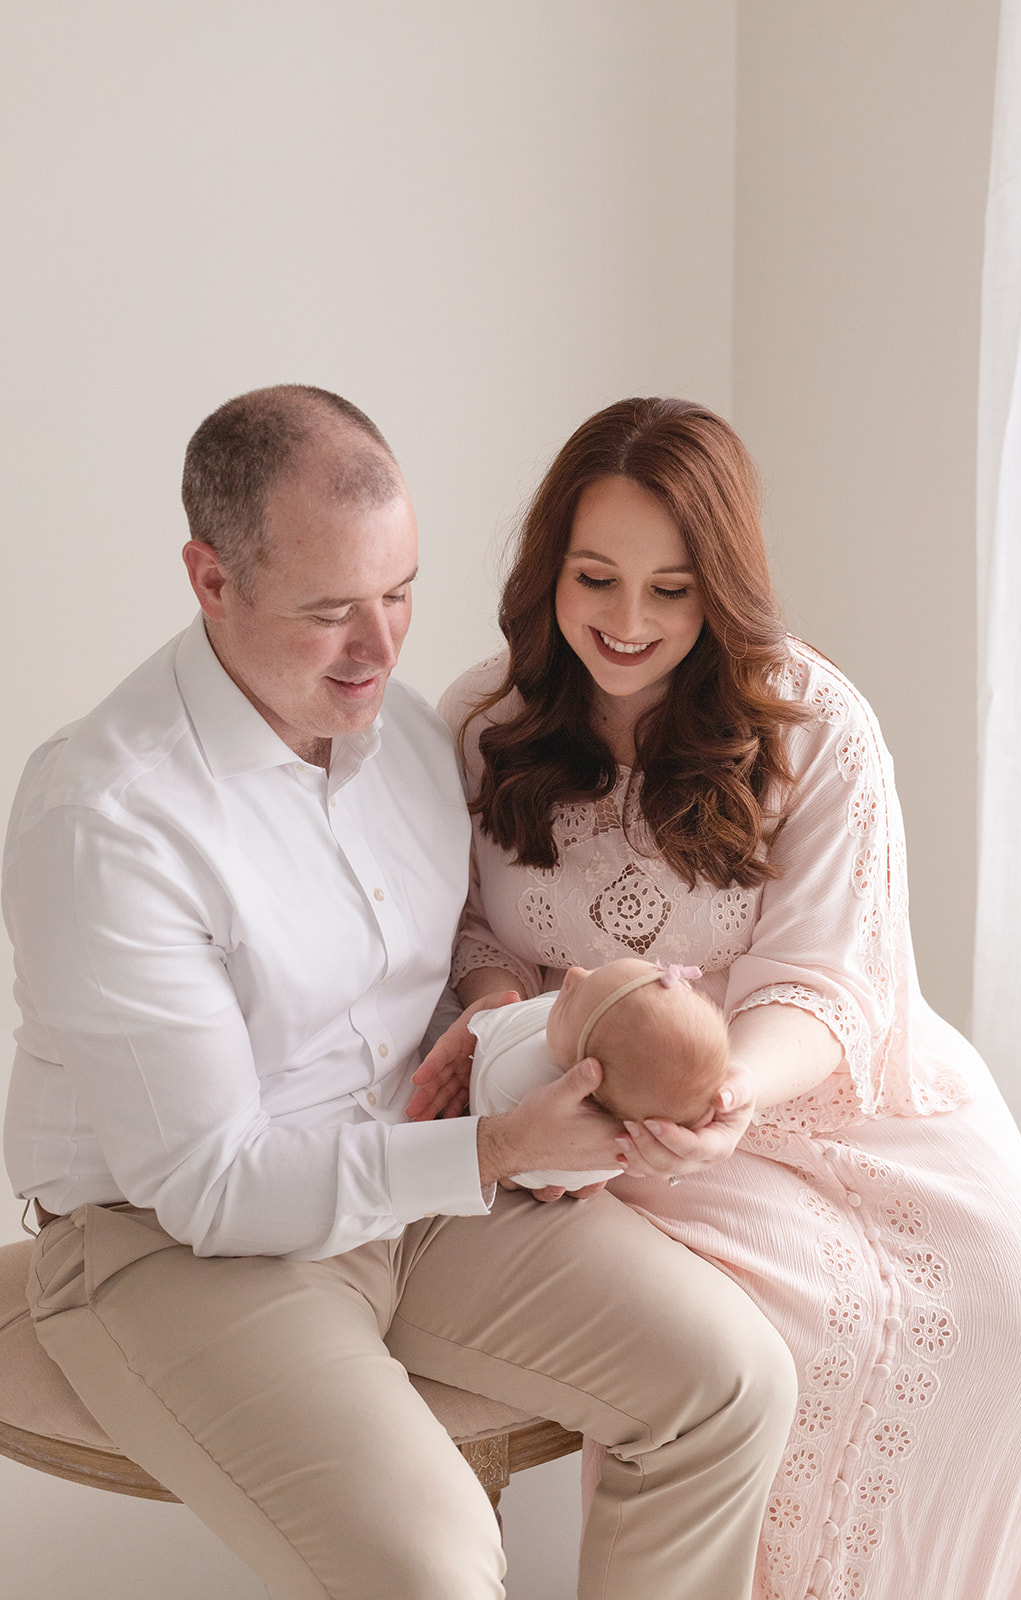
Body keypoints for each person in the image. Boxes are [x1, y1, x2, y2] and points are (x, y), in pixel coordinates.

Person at [2, 384, 798, 1600]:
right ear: (211, 580)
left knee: (730, 1381)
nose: (378, 649)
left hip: (407, 1185)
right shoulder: (106, 818)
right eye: (329, 612)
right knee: (431, 1569)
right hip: (170, 1244)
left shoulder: (415, 744)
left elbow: (428, 1011)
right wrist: (483, 1152)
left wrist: (542, 1045)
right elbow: (209, 1185)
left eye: (399, 592)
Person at [428, 396, 1021, 1600]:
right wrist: (498, 1006)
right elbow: (459, 926)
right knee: (777, 1353)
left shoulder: (811, 725)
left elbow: (824, 981)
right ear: (545, 571)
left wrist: (724, 1089)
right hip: (604, 1121)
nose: (625, 622)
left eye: (669, 590)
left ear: (718, 584)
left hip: (823, 1100)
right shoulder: (479, 726)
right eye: (594, 577)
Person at [469, 958, 730, 1190]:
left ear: (583, 1079)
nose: (574, 972)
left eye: (570, 998)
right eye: (596, 971)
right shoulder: (617, 1123)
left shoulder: (518, 1078)